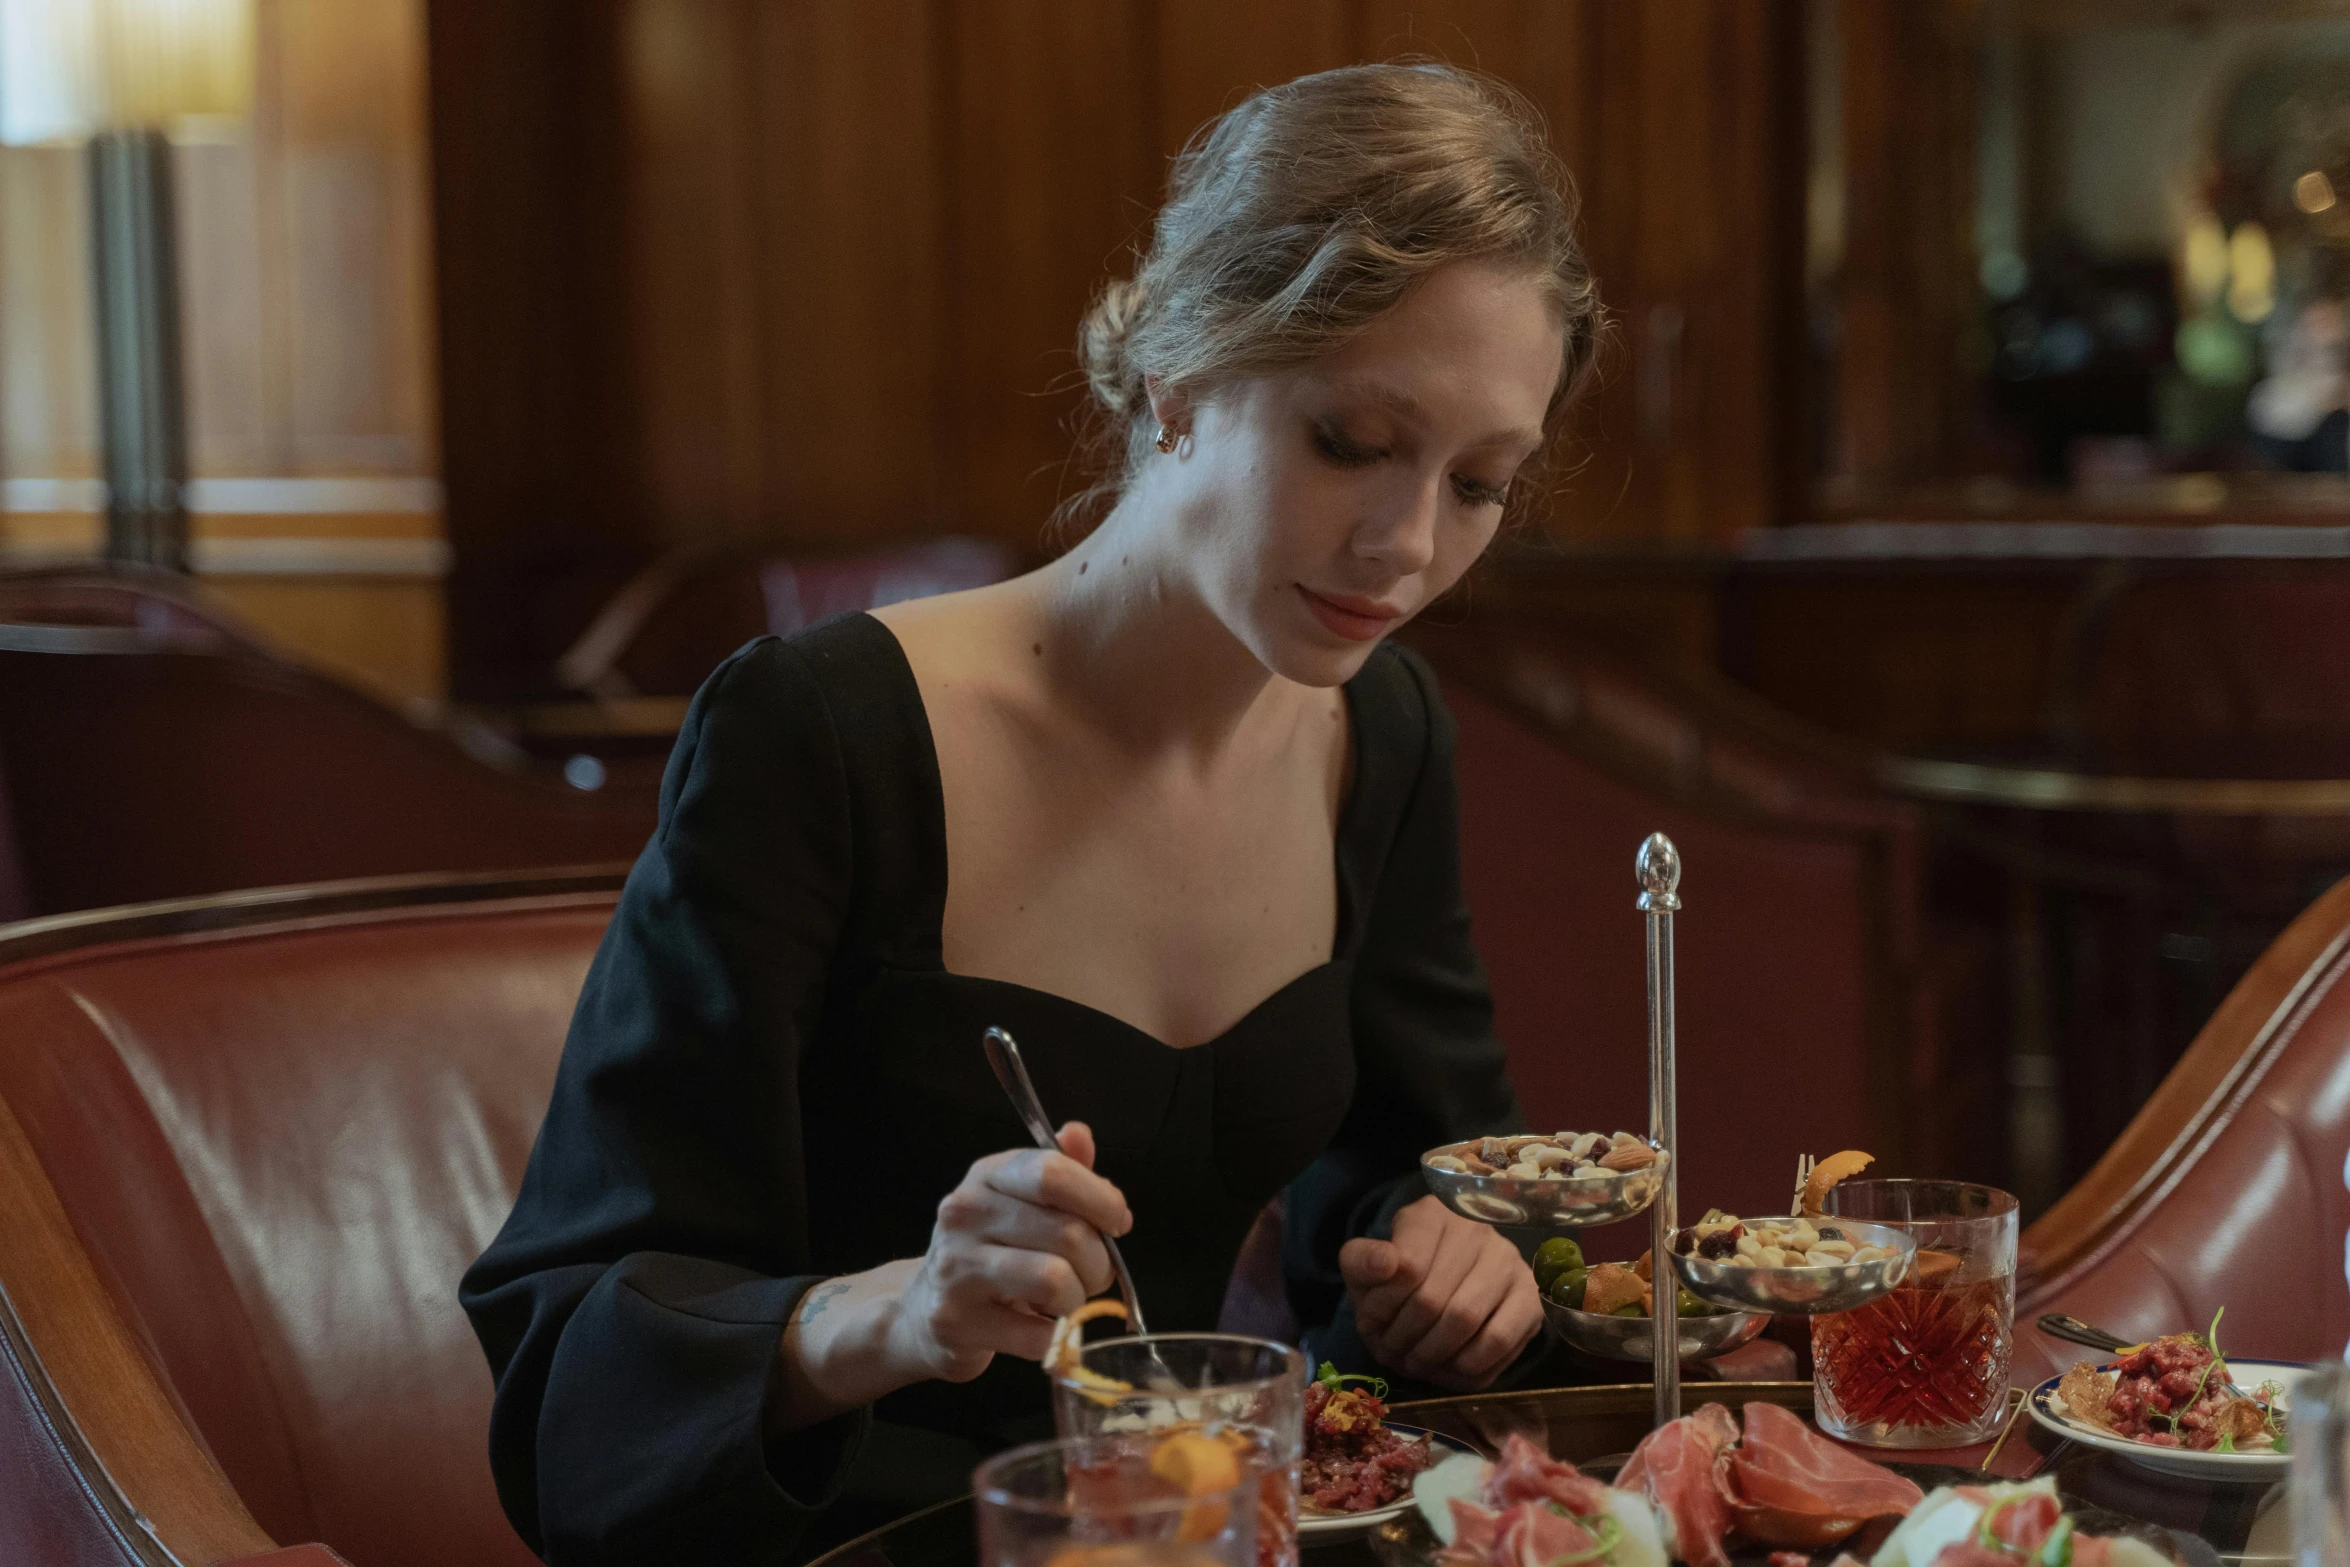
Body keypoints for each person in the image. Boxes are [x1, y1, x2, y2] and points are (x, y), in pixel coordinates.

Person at [461, 60, 1604, 1565]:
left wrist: (1461, 1261)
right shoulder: (821, 732)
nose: (1406, 545)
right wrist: (899, 1311)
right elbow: (569, 1366)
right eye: (1350, 441)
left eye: (1480, 482)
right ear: (1175, 383)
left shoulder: (1379, 732)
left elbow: (1422, 1175)